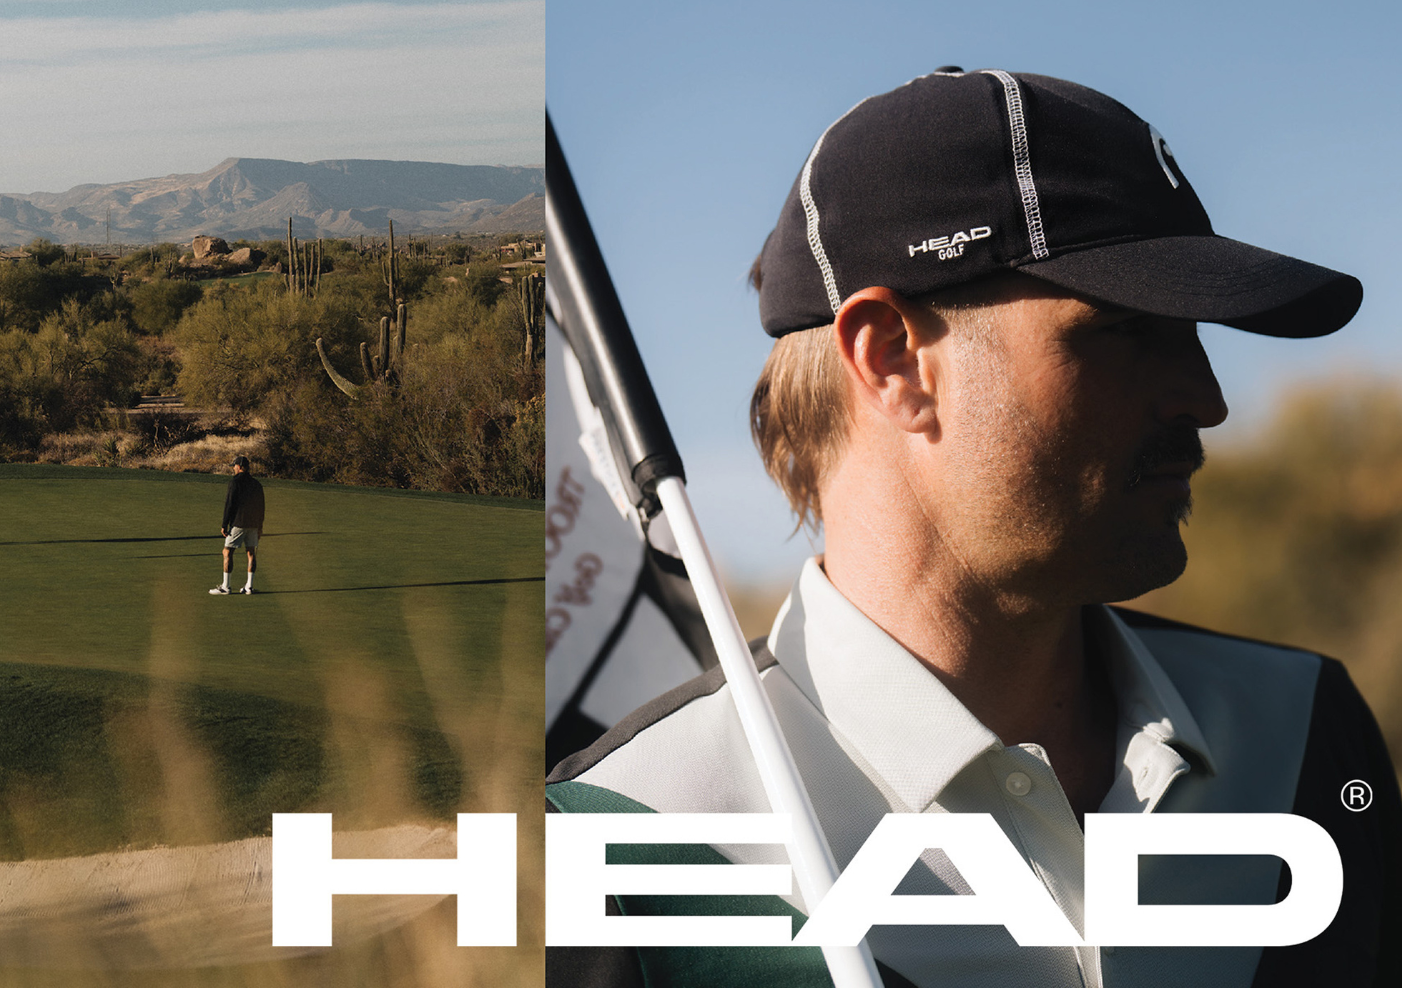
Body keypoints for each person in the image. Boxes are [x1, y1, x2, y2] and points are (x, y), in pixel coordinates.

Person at [547, 69, 1398, 986]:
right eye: (1123, 331)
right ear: (893, 360)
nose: (1208, 399)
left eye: (1192, 334)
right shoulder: (630, 838)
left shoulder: (1306, 731)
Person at [213, 454, 264, 594]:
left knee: (227, 551)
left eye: (235, 466)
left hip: (238, 523)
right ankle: (249, 586)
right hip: (253, 524)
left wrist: (224, 524)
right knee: (251, 553)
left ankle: (226, 586)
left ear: (239, 467)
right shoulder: (256, 484)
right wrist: (260, 527)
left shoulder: (234, 482)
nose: (233, 468)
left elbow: (229, 504)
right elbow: (261, 507)